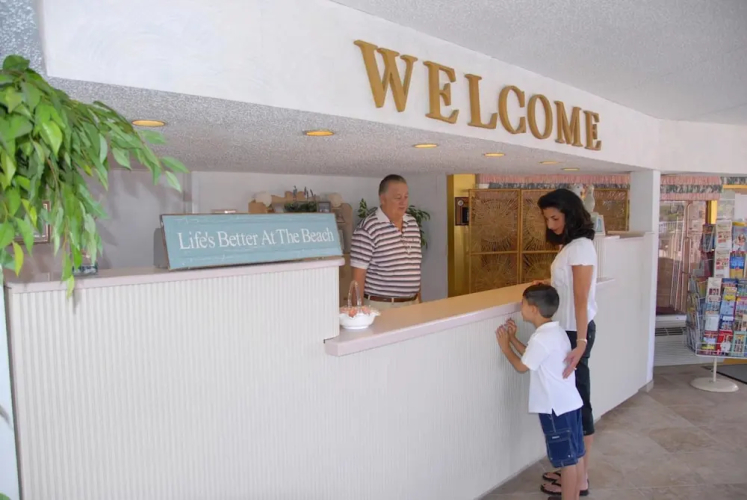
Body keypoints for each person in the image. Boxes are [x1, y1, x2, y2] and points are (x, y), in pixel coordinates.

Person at [534, 188, 597, 497]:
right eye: (547, 219)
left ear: (570, 215)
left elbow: (581, 299)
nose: (551, 225)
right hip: (571, 330)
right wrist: (550, 285)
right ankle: (572, 471)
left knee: (578, 403)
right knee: (572, 402)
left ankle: (579, 478)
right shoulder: (573, 246)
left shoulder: (581, 247)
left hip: (576, 333)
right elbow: (570, 290)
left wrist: (581, 342)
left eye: (555, 218)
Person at [496, 284, 585, 500]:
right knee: (575, 456)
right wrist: (513, 339)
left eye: (523, 303)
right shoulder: (556, 332)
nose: (520, 306)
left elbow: (522, 366)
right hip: (570, 404)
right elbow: (533, 356)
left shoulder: (541, 338)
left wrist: (505, 347)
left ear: (533, 309)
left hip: (556, 409)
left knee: (567, 463)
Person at [350, 174, 422, 310]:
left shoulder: (412, 223)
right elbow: (357, 279)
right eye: (398, 198)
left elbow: (414, 269)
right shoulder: (368, 228)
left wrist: (419, 302)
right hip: (382, 306)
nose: (403, 202)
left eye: (406, 197)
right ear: (383, 199)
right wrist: (358, 313)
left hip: (412, 303)